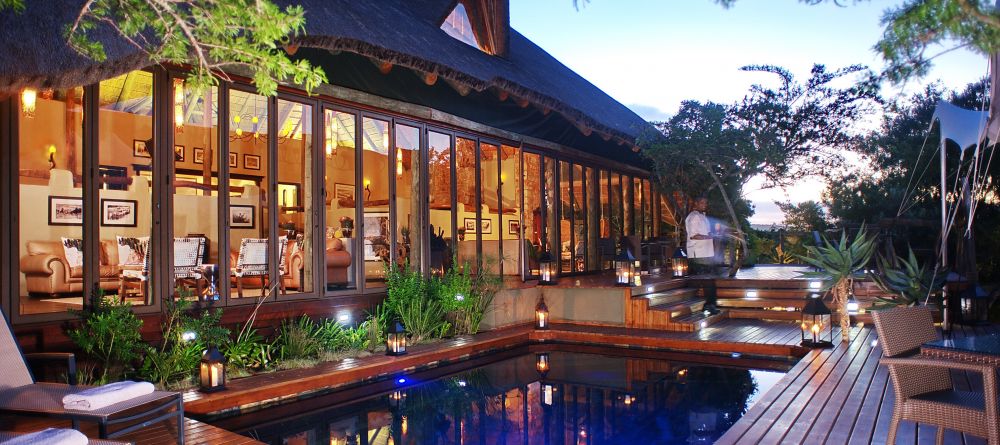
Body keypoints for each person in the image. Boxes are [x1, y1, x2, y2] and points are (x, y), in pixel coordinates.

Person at [685, 196, 719, 313]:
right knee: (708, 281)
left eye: (706, 202)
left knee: (708, 280)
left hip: (706, 254)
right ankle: (709, 305)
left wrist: (713, 235)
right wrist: (710, 236)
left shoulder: (703, 217)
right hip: (698, 254)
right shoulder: (693, 217)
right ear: (696, 203)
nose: (705, 205)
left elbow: (707, 233)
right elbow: (693, 235)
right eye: (702, 203)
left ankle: (709, 305)